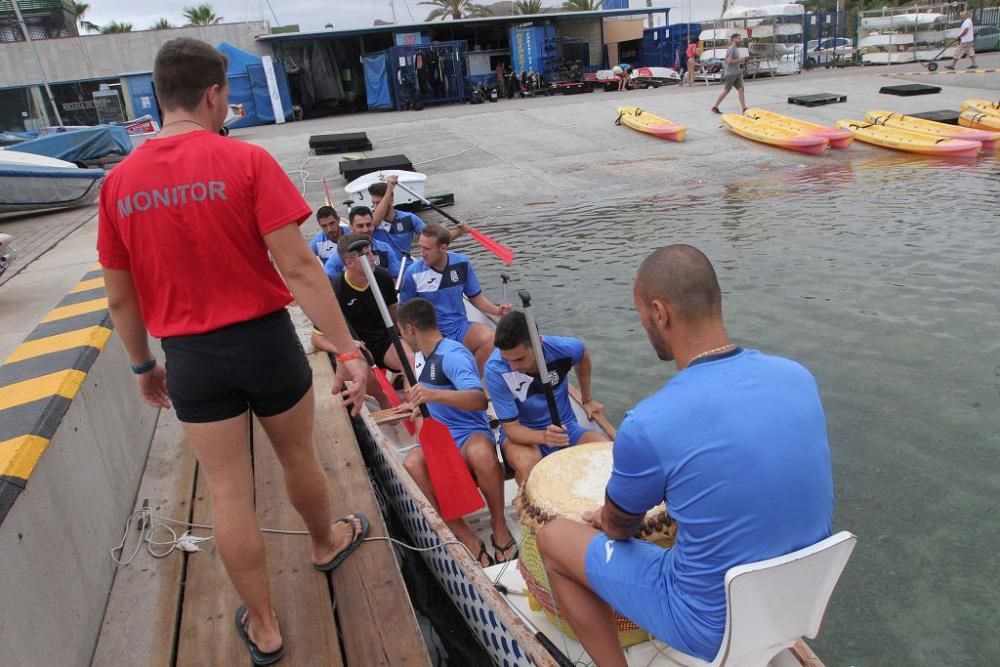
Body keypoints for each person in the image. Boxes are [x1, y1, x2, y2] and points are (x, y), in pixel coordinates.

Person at [97, 38, 371, 666]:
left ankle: (268, 629)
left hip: (191, 357)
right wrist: (349, 350)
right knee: (297, 453)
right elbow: (301, 269)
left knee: (227, 489)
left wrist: (144, 368)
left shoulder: (118, 185)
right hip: (264, 341)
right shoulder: (245, 163)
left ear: (158, 97)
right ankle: (325, 544)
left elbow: (122, 299)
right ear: (214, 92)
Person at [536, 245, 834, 666]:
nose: (644, 324)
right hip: (797, 604)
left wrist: (606, 517)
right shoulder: (799, 378)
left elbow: (620, 530)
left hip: (706, 624)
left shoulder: (651, 422)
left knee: (553, 540)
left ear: (660, 312)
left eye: (641, 314)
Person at [396, 298, 517, 566]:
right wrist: (419, 405)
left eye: (402, 332)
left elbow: (478, 399)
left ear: (411, 329)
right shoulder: (418, 358)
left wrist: (433, 395)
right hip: (439, 437)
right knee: (412, 463)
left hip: (468, 434)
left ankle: (499, 527)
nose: (403, 338)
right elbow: (428, 398)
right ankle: (462, 533)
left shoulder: (453, 355)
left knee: (481, 453)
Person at [484, 311, 604, 485]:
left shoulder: (563, 349)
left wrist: (587, 399)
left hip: (564, 427)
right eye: (507, 359)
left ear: (538, 343)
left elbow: (583, 355)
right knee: (531, 467)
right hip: (520, 436)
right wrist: (544, 437)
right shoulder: (495, 370)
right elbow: (512, 429)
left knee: (605, 453)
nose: (513, 367)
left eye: (519, 359)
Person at [311, 234, 414, 409]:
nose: (373, 258)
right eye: (367, 255)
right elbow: (316, 339)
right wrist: (345, 346)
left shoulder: (382, 277)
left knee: (410, 359)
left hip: (383, 341)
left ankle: (413, 404)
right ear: (350, 263)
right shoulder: (336, 290)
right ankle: (383, 400)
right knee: (365, 373)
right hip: (357, 348)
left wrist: (409, 342)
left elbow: (394, 316)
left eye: (371, 252)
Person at [399, 223, 511, 373]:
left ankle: (469, 381)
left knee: (490, 340)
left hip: (459, 326)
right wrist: (414, 344)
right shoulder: (412, 273)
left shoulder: (462, 263)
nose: (422, 253)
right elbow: (404, 313)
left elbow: (475, 297)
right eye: (420, 247)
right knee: (449, 360)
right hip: (431, 332)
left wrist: (497, 310)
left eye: (427, 249)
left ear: (443, 248)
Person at [369, 175, 466, 258]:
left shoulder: (409, 218)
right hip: (381, 270)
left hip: (404, 267)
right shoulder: (369, 222)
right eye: (373, 203)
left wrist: (459, 232)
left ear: (391, 200)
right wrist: (389, 189)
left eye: (379, 203)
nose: (375, 207)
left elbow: (436, 240)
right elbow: (375, 222)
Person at [324, 205, 401, 280]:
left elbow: (395, 278)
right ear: (351, 227)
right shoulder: (341, 254)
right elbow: (327, 280)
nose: (365, 230)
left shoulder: (385, 249)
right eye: (360, 226)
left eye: (368, 225)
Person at [711, 33, 747, 114]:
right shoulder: (731, 48)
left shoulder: (736, 48)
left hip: (737, 73)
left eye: (740, 38)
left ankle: (744, 108)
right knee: (726, 90)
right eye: (738, 38)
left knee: (741, 89)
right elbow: (729, 61)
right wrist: (739, 60)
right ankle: (715, 107)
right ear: (733, 39)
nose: (740, 40)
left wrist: (740, 65)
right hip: (730, 73)